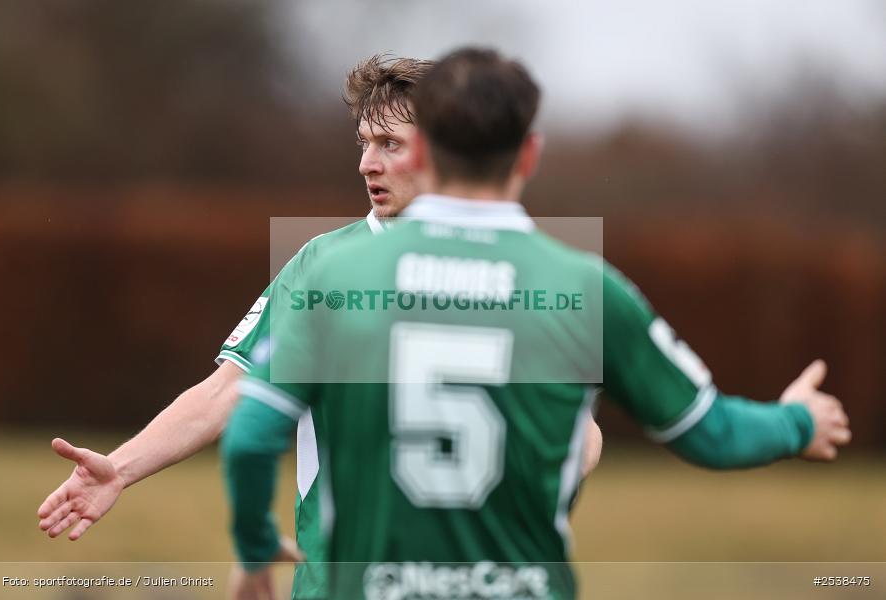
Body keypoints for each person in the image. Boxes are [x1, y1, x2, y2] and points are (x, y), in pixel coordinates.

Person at [221, 47, 852, 600]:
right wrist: (798, 421)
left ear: (430, 152)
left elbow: (250, 435)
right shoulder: (584, 288)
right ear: (529, 153)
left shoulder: (338, 276)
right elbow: (711, 432)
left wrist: (254, 549)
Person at [36, 55, 604, 600]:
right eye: (363, 143)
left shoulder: (516, 272)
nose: (366, 163)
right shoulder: (322, 268)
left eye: (389, 144)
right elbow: (226, 392)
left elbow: (580, 435)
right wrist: (120, 470)